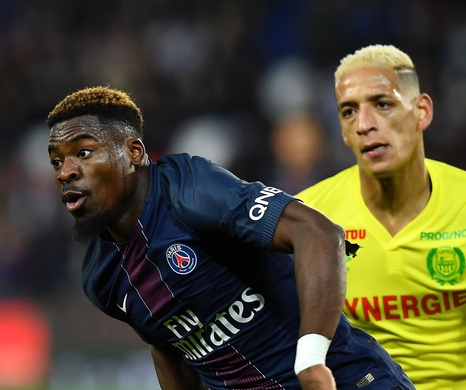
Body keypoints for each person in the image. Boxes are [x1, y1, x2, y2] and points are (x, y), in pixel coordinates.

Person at [46, 86, 414, 390]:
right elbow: (168, 345)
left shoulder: (187, 190)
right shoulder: (102, 277)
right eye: (56, 162)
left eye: (82, 152)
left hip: (345, 382)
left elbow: (318, 232)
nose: (66, 172)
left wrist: (312, 360)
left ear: (133, 152)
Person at [296, 45, 466, 390]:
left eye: (383, 104)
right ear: (342, 130)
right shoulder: (310, 219)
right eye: (349, 112)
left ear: (422, 111)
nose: (365, 125)